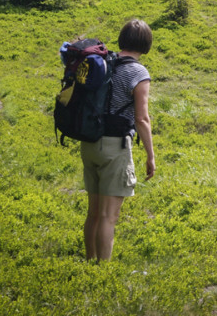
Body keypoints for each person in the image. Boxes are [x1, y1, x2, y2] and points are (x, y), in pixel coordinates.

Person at [82, 18, 155, 261]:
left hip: (90, 142)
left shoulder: (104, 62)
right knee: (108, 217)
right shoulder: (138, 71)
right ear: (145, 44)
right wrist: (150, 156)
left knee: (93, 213)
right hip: (114, 147)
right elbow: (142, 118)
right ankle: (102, 273)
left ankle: (89, 262)